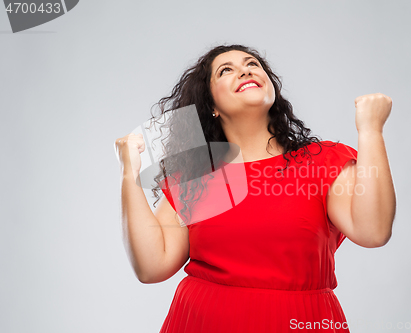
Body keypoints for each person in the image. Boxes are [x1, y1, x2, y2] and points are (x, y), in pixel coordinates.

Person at [114, 44, 396, 332]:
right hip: (201, 321)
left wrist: (371, 130)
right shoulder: (199, 178)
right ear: (211, 105)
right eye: (226, 70)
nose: (245, 70)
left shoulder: (322, 161)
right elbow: (151, 267)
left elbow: (373, 231)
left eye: (252, 64)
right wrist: (130, 173)